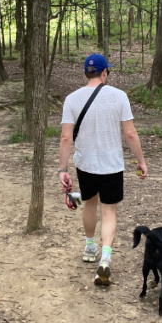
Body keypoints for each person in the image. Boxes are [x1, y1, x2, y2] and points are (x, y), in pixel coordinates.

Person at [58, 53, 148, 285]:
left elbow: (66, 138)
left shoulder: (72, 99)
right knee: (109, 211)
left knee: (89, 203)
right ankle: (105, 258)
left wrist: (62, 169)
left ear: (86, 73)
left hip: (85, 163)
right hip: (111, 165)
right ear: (104, 72)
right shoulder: (119, 96)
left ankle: (90, 248)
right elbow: (130, 133)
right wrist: (141, 160)